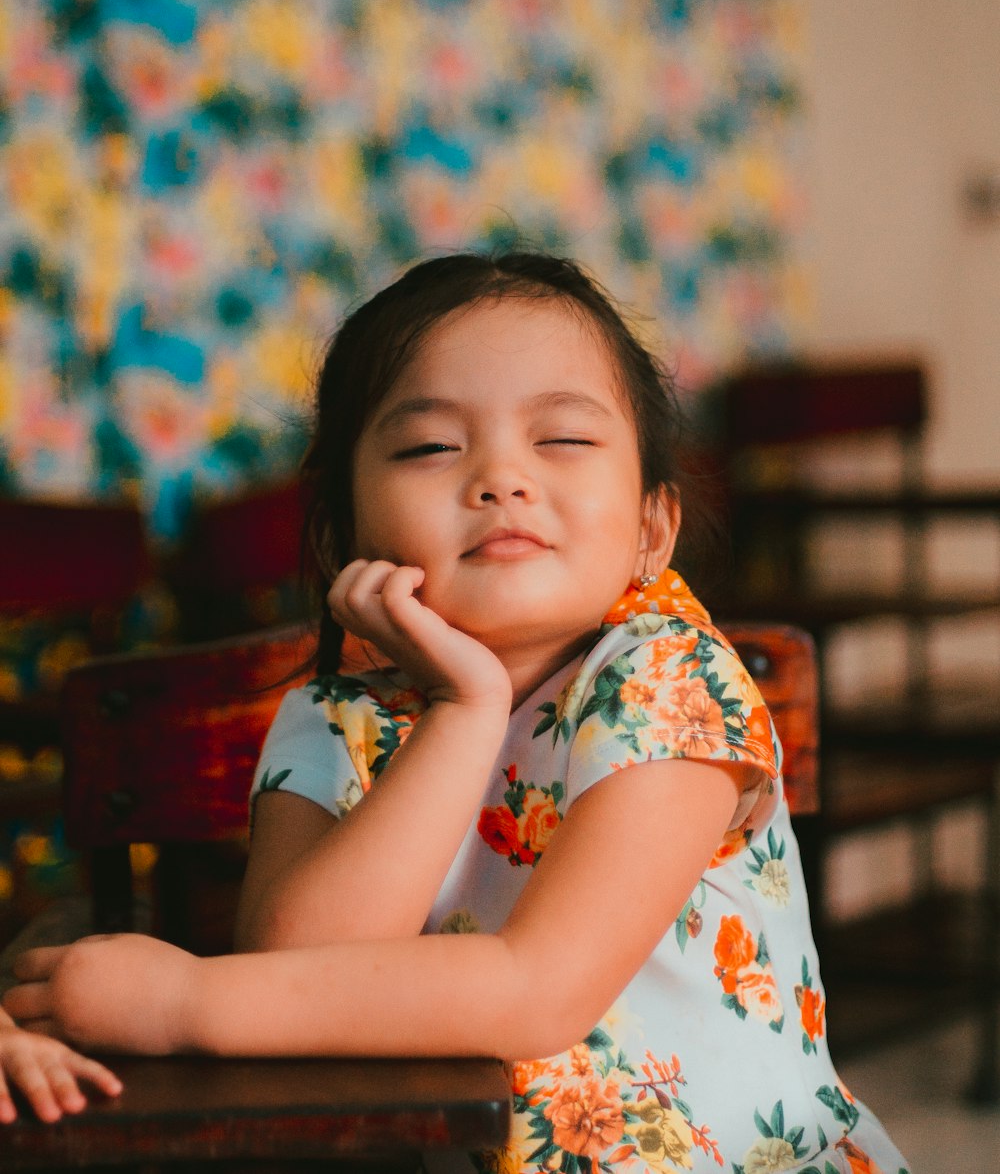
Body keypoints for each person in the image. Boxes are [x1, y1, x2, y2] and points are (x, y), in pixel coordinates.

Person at [2, 252, 910, 1172]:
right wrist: (464, 709)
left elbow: (536, 991)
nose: (501, 478)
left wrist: (186, 1005)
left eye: (562, 439)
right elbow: (300, 964)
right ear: (341, 534)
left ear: (651, 529)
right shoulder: (331, 719)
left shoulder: (672, 677)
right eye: (432, 447)